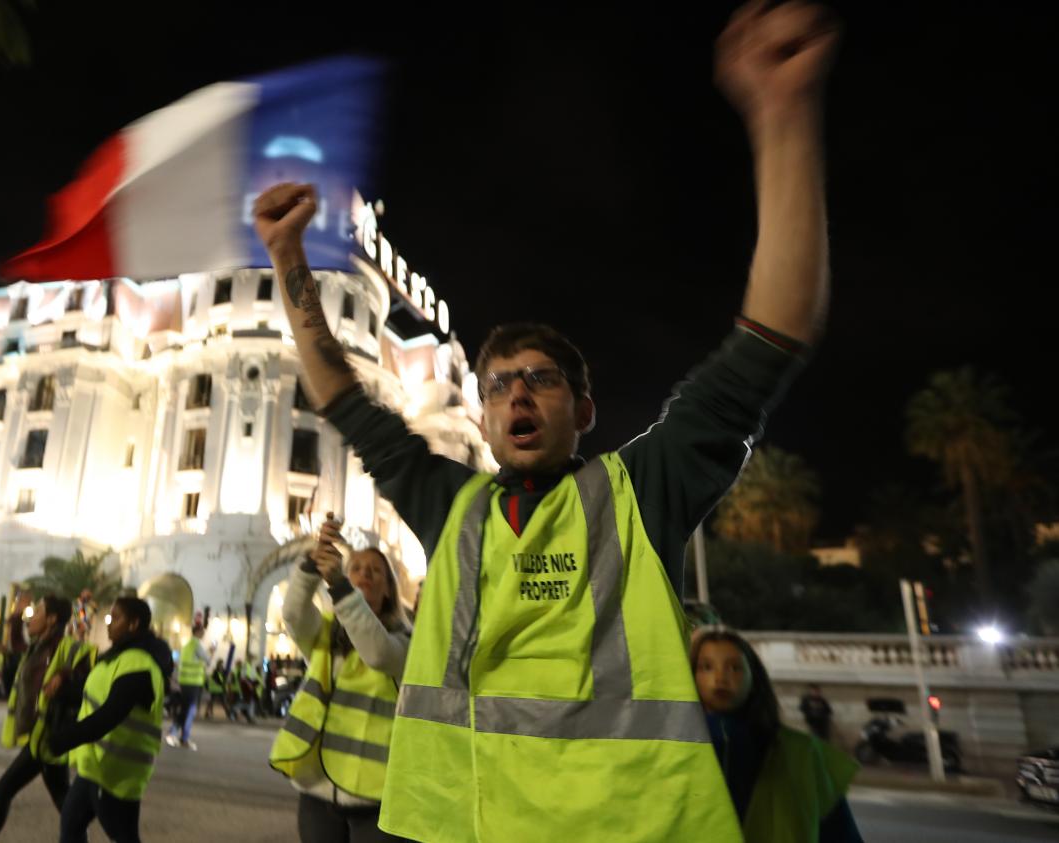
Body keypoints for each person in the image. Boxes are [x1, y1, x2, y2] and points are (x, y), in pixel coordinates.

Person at [251, 2, 838, 837]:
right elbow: (343, 395)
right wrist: (287, 259)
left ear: (584, 411)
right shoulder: (449, 503)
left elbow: (771, 341)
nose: (516, 395)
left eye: (541, 380)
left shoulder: (639, 493)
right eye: (496, 386)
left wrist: (784, 117)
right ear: (483, 419)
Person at [270, 517, 411, 842]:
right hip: (318, 787)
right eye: (356, 568)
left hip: (376, 794)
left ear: (389, 589)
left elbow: (376, 652)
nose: (364, 573)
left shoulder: (405, 639)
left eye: (374, 570)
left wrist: (339, 585)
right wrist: (313, 562)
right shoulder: (326, 631)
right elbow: (292, 614)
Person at [693, 629, 861, 842]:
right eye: (706, 667)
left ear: (753, 677)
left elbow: (839, 832)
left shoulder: (803, 753)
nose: (720, 678)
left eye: (734, 668)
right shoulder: (675, 751)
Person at [0, 594, 95, 843]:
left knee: (2, 791)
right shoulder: (38, 647)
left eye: (37, 612)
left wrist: (63, 675)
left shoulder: (66, 647)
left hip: (47, 734)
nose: (32, 617)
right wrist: (16, 615)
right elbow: (16, 644)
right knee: (64, 802)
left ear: (51, 619)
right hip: (44, 736)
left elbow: (86, 670)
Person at [48, 597, 173, 843]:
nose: (108, 624)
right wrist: (62, 691)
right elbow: (91, 691)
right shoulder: (116, 657)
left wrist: (62, 740)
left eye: (116, 619)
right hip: (95, 767)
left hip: (117, 773)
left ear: (134, 624)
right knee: (71, 826)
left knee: (124, 837)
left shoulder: (140, 665)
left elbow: (109, 716)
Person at [164, 623, 209, 750]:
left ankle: (181, 737)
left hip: (184, 682)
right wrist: (210, 652)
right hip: (193, 682)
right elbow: (207, 660)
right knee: (189, 711)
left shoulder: (187, 646)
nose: (204, 633)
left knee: (186, 709)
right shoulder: (196, 645)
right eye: (202, 631)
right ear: (198, 632)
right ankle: (176, 735)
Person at [2, 593, 31, 698]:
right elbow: (13, 636)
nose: (27, 605)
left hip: (17, 651)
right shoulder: (17, 618)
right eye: (25, 602)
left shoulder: (18, 618)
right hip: (17, 652)